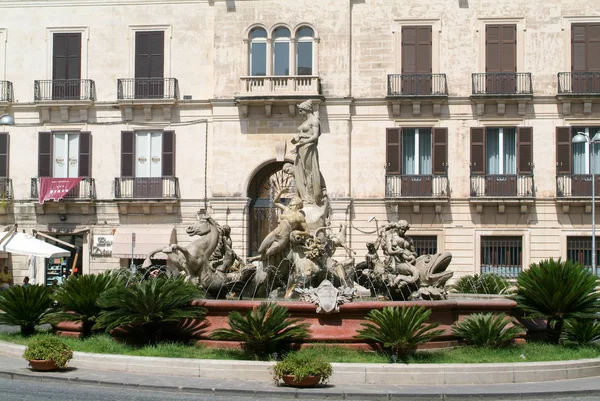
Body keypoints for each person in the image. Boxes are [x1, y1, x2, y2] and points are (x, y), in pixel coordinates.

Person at [247, 195, 310, 262]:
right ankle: (258, 257)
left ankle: (254, 258)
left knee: (268, 253)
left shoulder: (299, 216)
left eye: (292, 201)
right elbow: (275, 202)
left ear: (297, 204)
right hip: (275, 233)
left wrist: (298, 232)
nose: (290, 203)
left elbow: (307, 232)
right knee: (260, 250)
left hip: (282, 239)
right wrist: (281, 193)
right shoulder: (286, 209)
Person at [291, 100, 326, 205]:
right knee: (301, 171)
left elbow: (315, 136)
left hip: (308, 147)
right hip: (301, 148)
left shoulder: (314, 120)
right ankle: (305, 195)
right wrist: (296, 141)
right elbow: (300, 134)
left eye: (301, 109)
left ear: (306, 109)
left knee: (309, 172)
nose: (300, 111)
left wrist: (303, 142)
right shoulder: (305, 122)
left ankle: (311, 196)